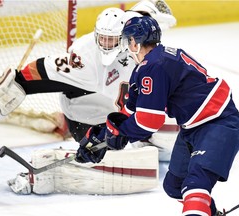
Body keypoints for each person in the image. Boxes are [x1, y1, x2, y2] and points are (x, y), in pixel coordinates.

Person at [0, 0, 177, 162]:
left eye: (112, 39)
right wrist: (20, 83)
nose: (106, 44)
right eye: (103, 38)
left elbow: (150, 9)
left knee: (161, 144)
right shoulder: (86, 55)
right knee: (99, 150)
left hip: (118, 102)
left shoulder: (139, 35)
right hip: (84, 107)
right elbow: (48, 69)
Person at [75, 16, 239, 216]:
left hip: (218, 122)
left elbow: (149, 121)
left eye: (128, 42)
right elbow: (131, 110)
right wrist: (102, 137)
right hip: (193, 126)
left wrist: (121, 135)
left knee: (196, 183)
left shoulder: (154, 66)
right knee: (175, 185)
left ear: (135, 42)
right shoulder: (150, 65)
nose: (127, 47)